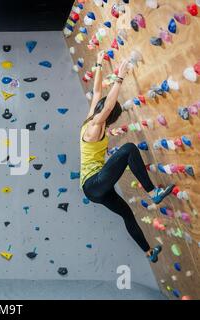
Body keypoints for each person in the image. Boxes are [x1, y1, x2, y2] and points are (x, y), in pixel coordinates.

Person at [80, 51, 175, 263]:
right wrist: (119, 78)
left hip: (95, 190)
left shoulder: (90, 119)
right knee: (130, 148)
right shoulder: (95, 126)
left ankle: (149, 252)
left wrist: (98, 62)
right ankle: (153, 192)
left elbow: (96, 92)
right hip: (93, 183)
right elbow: (106, 106)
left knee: (127, 214)